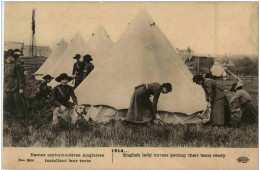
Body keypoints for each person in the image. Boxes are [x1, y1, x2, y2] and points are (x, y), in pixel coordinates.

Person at [4, 49, 27, 120]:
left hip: (15, 86)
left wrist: (21, 88)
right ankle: (9, 115)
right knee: (6, 99)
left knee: (17, 100)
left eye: (11, 56)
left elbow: (21, 77)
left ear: (13, 56)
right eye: (8, 56)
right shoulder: (7, 64)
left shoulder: (17, 65)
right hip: (7, 85)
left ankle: (21, 117)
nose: (9, 58)